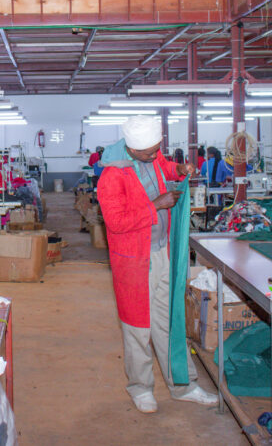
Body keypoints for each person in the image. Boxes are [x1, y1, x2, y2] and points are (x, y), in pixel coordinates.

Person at [97, 115, 217, 413]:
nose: (155, 156)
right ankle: (140, 387)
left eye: (157, 150)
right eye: (149, 153)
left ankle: (183, 385)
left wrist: (178, 168)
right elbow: (116, 222)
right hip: (135, 263)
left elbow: (162, 167)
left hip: (162, 253)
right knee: (138, 327)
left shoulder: (152, 155)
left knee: (170, 321)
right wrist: (157, 205)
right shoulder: (111, 177)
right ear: (132, 150)